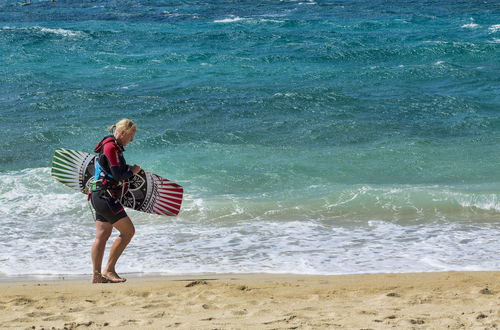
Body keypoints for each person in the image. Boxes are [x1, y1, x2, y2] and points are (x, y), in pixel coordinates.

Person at [90, 119, 141, 283]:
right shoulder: (111, 147)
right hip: (106, 196)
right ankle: (109, 270)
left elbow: (112, 171)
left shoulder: (110, 146)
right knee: (128, 232)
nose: (131, 140)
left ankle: (97, 276)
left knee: (102, 235)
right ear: (122, 133)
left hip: (98, 195)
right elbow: (118, 175)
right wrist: (132, 172)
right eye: (130, 136)